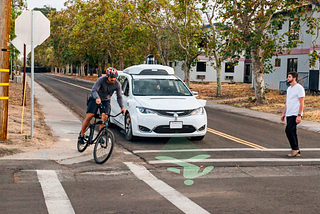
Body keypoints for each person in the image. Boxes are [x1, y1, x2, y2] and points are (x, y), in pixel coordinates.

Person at [78, 67, 126, 145]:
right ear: (107, 76)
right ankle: (81, 135)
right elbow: (94, 90)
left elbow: (119, 97)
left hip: (106, 101)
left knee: (105, 117)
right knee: (90, 116)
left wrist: (122, 107)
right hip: (94, 98)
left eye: (114, 77)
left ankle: (100, 136)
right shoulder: (101, 80)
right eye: (111, 77)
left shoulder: (117, 84)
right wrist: (97, 98)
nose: (113, 79)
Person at [281, 71, 305, 157]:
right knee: (293, 132)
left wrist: (299, 115)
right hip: (289, 113)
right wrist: (283, 113)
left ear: (294, 78)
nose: (288, 78)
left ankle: (294, 149)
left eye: (289, 77)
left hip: (295, 113)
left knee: (288, 130)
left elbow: (302, 102)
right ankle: (297, 150)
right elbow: (287, 102)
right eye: (288, 77)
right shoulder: (289, 89)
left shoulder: (299, 88)